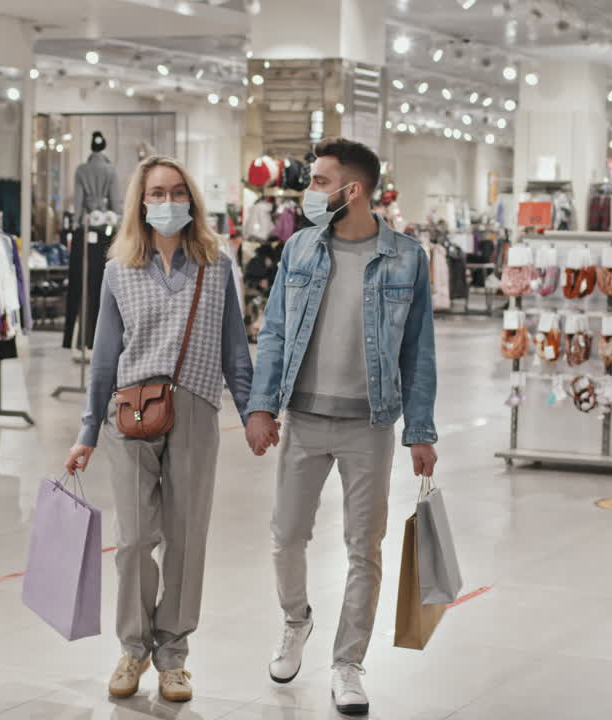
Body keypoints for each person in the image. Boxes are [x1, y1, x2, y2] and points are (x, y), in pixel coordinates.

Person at [245, 137, 438, 716]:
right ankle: (294, 620)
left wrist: (421, 431)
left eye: (320, 182)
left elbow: (418, 351)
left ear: (352, 191)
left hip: (370, 424)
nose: (310, 192)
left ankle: (348, 663)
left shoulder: (407, 258)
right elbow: (275, 331)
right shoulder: (300, 248)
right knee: (286, 536)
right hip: (303, 418)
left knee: (364, 549)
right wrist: (261, 406)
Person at [63, 155, 254, 704]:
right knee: (135, 540)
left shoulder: (215, 264)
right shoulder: (119, 266)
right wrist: (87, 432)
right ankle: (133, 647)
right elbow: (103, 356)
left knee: (186, 538)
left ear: (190, 200)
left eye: (176, 192)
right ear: (140, 203)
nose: (166, 202)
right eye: (156, 193)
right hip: (131, 412)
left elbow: (234, 348)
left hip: (194, 407)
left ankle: (173, 655)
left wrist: (251, 412)